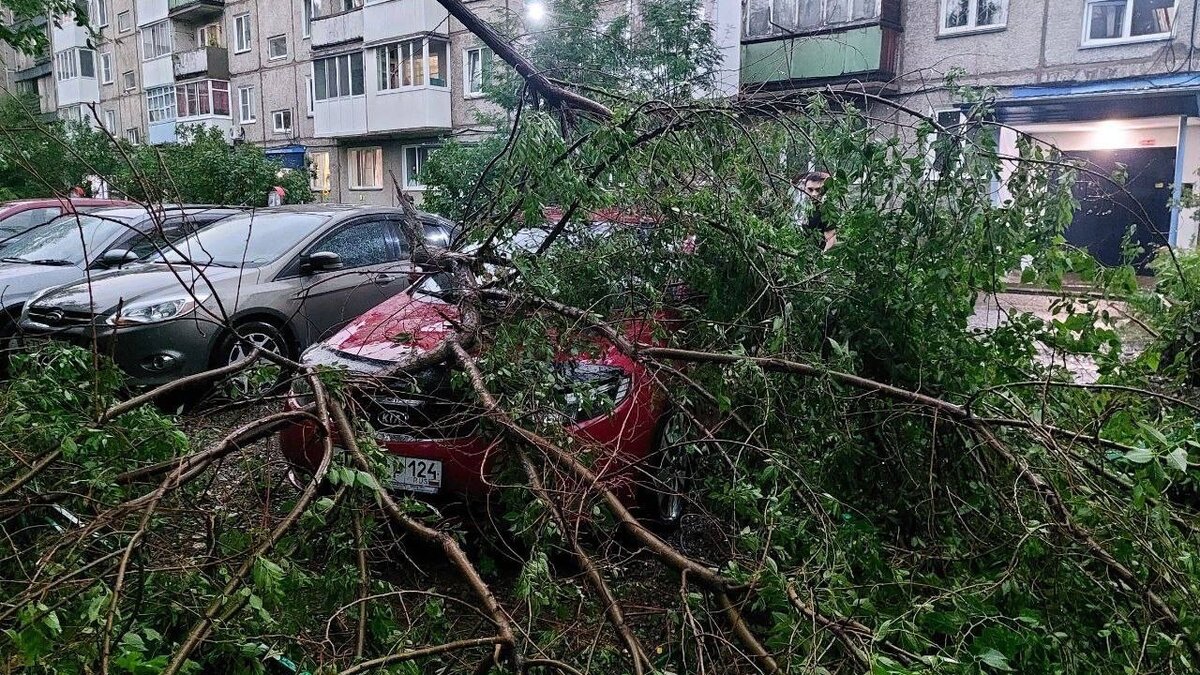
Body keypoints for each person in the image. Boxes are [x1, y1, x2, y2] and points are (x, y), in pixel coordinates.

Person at [792, 171, 836, 252]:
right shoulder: (801, 205)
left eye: (818, 190)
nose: (814, 194)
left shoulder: (826, 210)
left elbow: (831, 241)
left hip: (817, 254)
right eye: (810, 189)